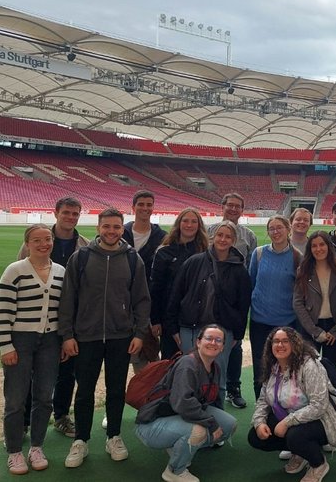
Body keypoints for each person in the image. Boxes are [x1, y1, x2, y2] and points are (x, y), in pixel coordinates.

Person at [58, 208, 151, 468]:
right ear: (98, 228)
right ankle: (81, 440)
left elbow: (142, 300)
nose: (112, 231)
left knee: (116, 389)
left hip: (121, 336)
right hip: (86, 336)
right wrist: (67, 335)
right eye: (107, 226)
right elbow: (68, 298)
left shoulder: (132, 259)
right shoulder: (81, 257)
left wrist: (139, 333)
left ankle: (114, 436)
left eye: (116, 227)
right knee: (84, 391)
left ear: (123, 229)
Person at [0, 223, 64, 475]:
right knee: (16, 399)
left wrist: (64, 339)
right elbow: (1, 310)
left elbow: (63, 311)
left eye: (48, 239)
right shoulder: (15, 270)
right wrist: (5, 345)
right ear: (27, 244)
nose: (44, 244)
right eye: (37, 240)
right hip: (20, 340)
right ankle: (14, 451)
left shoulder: (60, 271)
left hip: (50, 340)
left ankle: (36, 447)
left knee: (44, 397)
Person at [17, 196, 89, 440]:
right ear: (56, 213)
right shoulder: (40, 239)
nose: (70, 217)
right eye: (66, 212)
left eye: (75, 213)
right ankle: (23, 422)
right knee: (33, 373)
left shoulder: (84, 245)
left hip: (69, 320)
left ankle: (61, 416)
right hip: (38, 318)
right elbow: (20, 274)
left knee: (67, 372)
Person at [134, 324, 238, 482]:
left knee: (229, 424)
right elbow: (183, 403)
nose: (213, 343)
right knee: (199, 431)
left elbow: (210, 400)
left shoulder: (215, 368)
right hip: (152, 423)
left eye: (218, 340)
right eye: (209, 338)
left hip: (177, 416)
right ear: (198, 342)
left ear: (223, 346)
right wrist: (211, 423)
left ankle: (180, 446)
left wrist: (215, 423)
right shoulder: (187, 365)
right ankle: (174, 471)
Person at [165, 219, 251, 405]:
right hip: (191, 328)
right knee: (189, 376)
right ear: (213, 237)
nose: (223, 239)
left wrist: (237, 334)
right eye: (220, 235)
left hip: (222, 331)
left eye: (228, 236)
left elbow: (243, 305)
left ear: (233, 240)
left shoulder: (239, 270)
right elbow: (176, 294)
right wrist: (173, 327)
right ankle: (189, 416)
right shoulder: (194, 262)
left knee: (218, 379)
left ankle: (216, 418)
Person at [248, 327, 336, 482]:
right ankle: (300, 453)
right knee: (255, 436)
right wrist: (259, 422)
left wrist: (287, 422)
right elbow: (263, 400)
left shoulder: (309, 366)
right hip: (293, 417)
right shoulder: (273, 367)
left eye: (285, 341)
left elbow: (319, 406)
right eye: (276, 341)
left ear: (295, 344)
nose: (280, 345)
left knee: (295, 436)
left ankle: (318, 464)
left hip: (323, 419)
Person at [208, 192, 257, 409]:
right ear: (223, 206)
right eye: (230, 205)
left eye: (238, 206)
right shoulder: (209, 231)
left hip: (235, 296)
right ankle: (206, 388)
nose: (233, 209)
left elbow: (251, 268)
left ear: (242, 210)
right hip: (210, 295)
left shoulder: (249, 236)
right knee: (208, 341)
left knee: (234, 343)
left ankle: (233, 387)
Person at [248, 215, 303, 398]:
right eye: (272, 228)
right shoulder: (258, 254)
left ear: (288, 229)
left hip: (287, 322)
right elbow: (252, 283)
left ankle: (282, 405)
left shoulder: (297, 257)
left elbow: (299, 290)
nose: (275, 232)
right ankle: (261, 406)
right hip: (259, 321)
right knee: (260, 367)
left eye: (279, 227)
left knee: (285, 367)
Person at [149, 208, 210, 360]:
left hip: (198, 319)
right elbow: (156, 288)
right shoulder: (164, 252)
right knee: (170, 362)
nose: (189, 225)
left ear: (199, 226)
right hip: (169, 319)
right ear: (179, 224)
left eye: (194, 221)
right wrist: (155, 319)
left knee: (198, 362)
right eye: (185, 221)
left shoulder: (207, 253)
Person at [123, 190, 167, 372]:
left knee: (149, 350)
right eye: (141, 204)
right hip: (122, 301)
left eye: (149, 204)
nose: (145, 208)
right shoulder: (121, 232)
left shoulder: (162, 236)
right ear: (133, 207)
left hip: (149, 301)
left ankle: (149, 386)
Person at [293, 231, 336, 365]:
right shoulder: (303, 270)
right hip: (311, 326)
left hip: (333, 327)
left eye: (322, 244)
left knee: (330, 368)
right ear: (310, 249)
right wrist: (315, 331)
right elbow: (298, 302)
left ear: (329, 246)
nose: (318, 249)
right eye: (314, 246)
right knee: (309, 368)